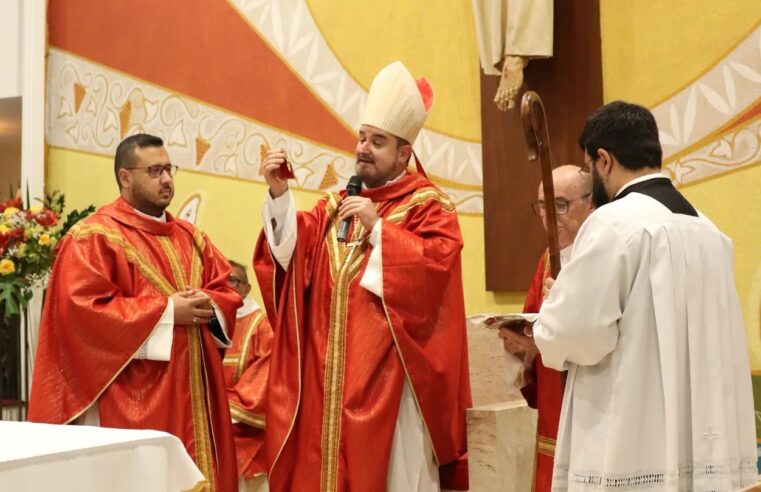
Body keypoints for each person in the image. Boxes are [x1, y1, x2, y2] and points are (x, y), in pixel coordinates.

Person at [254, 61, 471, 491]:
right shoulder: (337, 204)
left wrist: (380, 230)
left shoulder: (430, 206)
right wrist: (279, 195)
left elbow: (434, 272)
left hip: (393, 388)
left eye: (378, 141)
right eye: (362, 137)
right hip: (328, 382)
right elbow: (289, 256)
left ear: (404, 153)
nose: (364, 148)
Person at [533, 101, 757, 491]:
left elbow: (576, 334)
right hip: (702, 445)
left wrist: (555, 305)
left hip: (632, 446)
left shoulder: (612, 224)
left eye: (588, 167)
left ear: (604, 160)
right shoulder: (710, 231)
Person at [28, 133, 241, 492]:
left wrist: (207, 302)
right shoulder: (94, 238)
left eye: (169, 169)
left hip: (196, 396)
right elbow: (82, 314)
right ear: (125, 177)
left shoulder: (192, 238)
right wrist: (168, 311)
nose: (167, 179)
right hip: (135, 398)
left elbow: (227, 289)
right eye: (155, 170)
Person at [498, 165, 593, 492]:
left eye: (561, 205)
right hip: (554, 406)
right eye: (543, 206)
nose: (550, 216)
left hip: (592, 410)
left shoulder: (600, 259)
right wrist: (520, 349)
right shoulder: (546, 262)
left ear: (590, 202)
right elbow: (531, 325)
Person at [222, 260, 273, 491]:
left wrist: (226, 408)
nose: (226, 285)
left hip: (243, 431)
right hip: (210, 425)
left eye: (232, 280)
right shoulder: (212, 320)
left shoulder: (261, 325)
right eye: (221, 280)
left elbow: (266, 372)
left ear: (246, 288)